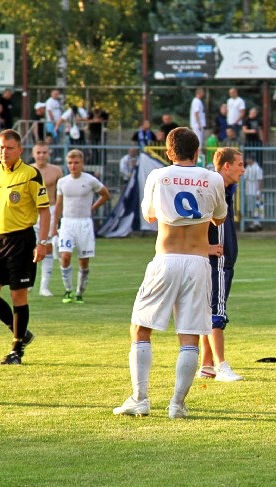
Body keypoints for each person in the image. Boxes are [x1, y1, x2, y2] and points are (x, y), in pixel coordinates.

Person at [113, 127, 227, 418]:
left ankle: (140, 398)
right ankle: (177, 404)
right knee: (189, 336)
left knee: (141, 327)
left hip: (166, 258)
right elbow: (219, 217)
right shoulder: (212, 178)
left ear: (168, 152)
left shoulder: (158, 176)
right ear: (198, 152)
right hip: (198, 262)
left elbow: (149, 215)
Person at [0, 129, 50, 365]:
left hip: (21, 240)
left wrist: (42, 242)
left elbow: (44, 211)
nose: (3, 152)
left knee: (18, 295)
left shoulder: (31, 174)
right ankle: (21, 332)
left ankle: (16, 349)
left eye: (8, 148)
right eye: (0, 147)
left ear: (19, 150)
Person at [197, 146, 244, 383]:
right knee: (217, 312)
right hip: (217, 261)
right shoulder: (211, 188)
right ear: (226, 166)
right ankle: (222, 365)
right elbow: (197, 219)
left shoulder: (224, 188)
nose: (243, 170)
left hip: (222, 261)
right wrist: (204, 247)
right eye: (239, 164)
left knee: (208, 312)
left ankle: (207, 364)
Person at [51, 149, 110, 304]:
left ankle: (79, 292)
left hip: (84, 224)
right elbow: (58, 205)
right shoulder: (62, 182)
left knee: (83, 260)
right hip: (67, 223)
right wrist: (53, 226)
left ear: (82, 163)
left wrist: (93, 207)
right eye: (70, 163)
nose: (73, 166)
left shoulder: (90, 180)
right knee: (65, 256)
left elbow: (105, 194)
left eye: (76, 162)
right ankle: (68, 290)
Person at [29, 141, 64, 297]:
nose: (41, 155)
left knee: (47, 247)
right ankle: (28, 281)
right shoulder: (27, 170)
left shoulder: (56, 171)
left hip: (49, 210)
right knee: (29, 247)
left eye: (44, 152)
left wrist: (58, 216)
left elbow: (62, 195)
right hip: (31, 211)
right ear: (33, 154)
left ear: (48, 153)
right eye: (38, 152)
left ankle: (44, 286)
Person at [242, 153, 264, 232]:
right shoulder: (247, 167)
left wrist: (258, 191)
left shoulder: (257, 168)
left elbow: (260, 180)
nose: (246, 160)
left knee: (256, 208)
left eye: (248, 159)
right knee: (251, 208)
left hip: (254, 191)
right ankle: (255, 223)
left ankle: (256, 223)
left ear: (251, 159)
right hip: (248, 190)